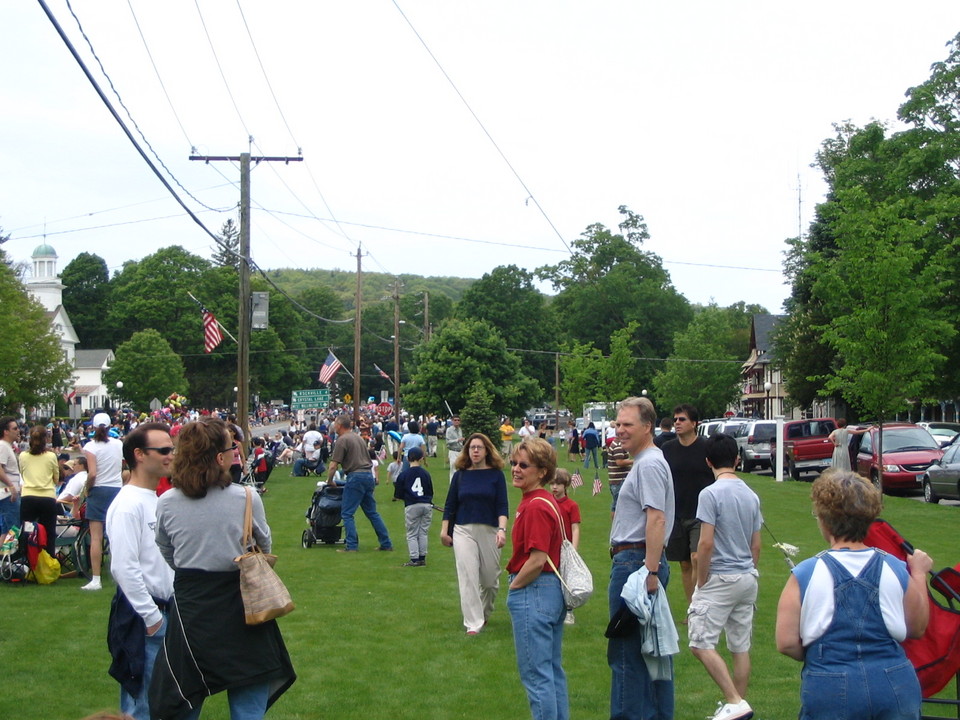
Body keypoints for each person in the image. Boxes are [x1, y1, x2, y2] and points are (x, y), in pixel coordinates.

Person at [151, 417, 295, 720]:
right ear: (219, 457)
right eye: (231, 448)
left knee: (184, 697)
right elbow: (264, 546)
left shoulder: (166, 502)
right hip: (243, 604)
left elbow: (168, 550)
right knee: (247, 706)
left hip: (193, 607)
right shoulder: (246, 496)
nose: (235, 452)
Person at [775, 469, 931, 720]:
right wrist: (920, 574)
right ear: (869, 518)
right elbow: (917, 627)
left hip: (829, 680)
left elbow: (786, 642)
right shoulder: (896, 568)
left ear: (824, 520)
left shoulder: (806, 573)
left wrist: (822, 655)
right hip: (893, 680)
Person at [608, 396, 675, 720]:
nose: (620, 431)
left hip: (635, 564)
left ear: (647, 426)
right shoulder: (649, 461)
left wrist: (648, 571)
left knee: (626, 655)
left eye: (627, 425)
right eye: (618, 424)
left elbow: (657, 519)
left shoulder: (648, 463)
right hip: (641, 562)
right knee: (653, 652)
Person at [687, 433, 761, 720]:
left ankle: (734, 701)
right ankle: (737, 704)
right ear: (738, 460)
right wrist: (749, 567)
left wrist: (701, 580)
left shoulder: (710, 494)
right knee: (739, 646)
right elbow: (756, 544)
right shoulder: (751, 495)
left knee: (700, 643)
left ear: (708, 462)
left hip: (720, 577)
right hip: (746, 577)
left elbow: (705, 543)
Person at [105, 422, 175, 720]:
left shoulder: (155, 499)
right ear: (139, 455)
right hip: (143, 617)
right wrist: (152, 618)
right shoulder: (127, 505)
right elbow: (123, 566)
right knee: (141, 705)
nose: (170, 455)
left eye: (172, 449)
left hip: (166, 612)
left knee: (161, 702)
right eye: (163, 450)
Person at [506, 438, 568, 720]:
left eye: (524, 465)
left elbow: (537, 558)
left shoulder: (535, 506)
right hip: (548, 591)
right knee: (551, 671)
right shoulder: (543, 501)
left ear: (542, 471)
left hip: (535, 589)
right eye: (514, 463)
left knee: (536, 675)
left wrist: (515, 587)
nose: (516, 469)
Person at [440, 433, 509, 635]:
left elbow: (502, 506)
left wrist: (502, 530)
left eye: (479, 447)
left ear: (487, 450)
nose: (475, 451)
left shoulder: (496, 475)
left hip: (489, 530)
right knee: (468, 576)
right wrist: (445, 531)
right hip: (463, 530)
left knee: (489, 581)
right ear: (467, 451)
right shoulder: (460, 475)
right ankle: (473, 623)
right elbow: (450, 505)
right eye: (472, 448)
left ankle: (485, 612)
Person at [662, 404, 716, 606]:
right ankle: (692, 607)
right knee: (685, 564)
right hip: (675, 514)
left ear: (694, 424)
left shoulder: (706, 448)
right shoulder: (667, 449)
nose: (677, 422)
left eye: (682, 419)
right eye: (675, 419)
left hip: (701, 515)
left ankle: (701, 603)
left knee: (697, 557)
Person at [326, 415, 393, 552]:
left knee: (347, 513)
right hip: (368, 476)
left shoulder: (342, 440)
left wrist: (329, 481)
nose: (334, 426)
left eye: (335, 424)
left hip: (355, 477)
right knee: (372, 513)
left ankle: (351, 546)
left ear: (339, 425)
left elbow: (333, 465)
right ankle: (386, 543)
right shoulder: (358, 437)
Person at [83, 412, 124, 591]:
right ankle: (120, 576)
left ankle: (96, 579)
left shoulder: (90, 447)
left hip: (99, 489)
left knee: (96, 537)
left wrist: (87, 488)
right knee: (116, 535)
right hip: (116, 489)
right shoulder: (118, 444)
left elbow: (92, 473)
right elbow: (122, 466)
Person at [18, 425, 60, 557]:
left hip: (28, 496)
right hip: (47, 497)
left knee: (27, 530)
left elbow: (22, 473)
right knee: (48, 532)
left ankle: (26, 559)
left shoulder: (23, 456)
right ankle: (49, 560)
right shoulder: (51, 456)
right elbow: (56, 477)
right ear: (46, 439)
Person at [392, 447, 433, 567]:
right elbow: (430, 491)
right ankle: (422, 557)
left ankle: (414, 558)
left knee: (412, 533)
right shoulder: (426, 473)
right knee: (423, 532)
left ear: (408, 458)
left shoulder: (404, 474)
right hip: (426, 504)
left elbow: (398, 495)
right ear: (421, 458)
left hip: (412, 505)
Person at [551, 468, 581, 625]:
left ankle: (569, 611)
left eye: (558, 484)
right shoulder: (548, 502)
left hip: (566, 547)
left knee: (566, 579)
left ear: (566, 485)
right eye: (552, 483)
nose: (555, 487)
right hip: (550, 547)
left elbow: (575, 527)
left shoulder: (571, 505)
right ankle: (554, 608)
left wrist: (573, 550)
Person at [0, 417, 22, 537]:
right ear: (6, 431)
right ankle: (11, 554)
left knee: (6, 531)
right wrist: (11, 486)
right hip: (7, 495)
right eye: (14, 428)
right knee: (13, 530)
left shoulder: (7, 446)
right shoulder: (3, 446)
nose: (18, 430)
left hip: (8, 494)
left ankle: (4, 555)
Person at [606, 437, 633, 518]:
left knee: (616, 505)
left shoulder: (615, 443)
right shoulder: (618, 446)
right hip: (619, 480)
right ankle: (618, 526)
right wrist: (635, 460)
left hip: (616, 480)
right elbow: (619, 462)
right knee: (619, 505)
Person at [445, 415, 464, 481]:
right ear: (452, 421)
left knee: (461, 469)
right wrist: (457, 440)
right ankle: (452, 485)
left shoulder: (460, 430)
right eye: (455, 420)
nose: (457, 422)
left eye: (458, 420)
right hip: (453, 451)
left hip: (461, 451)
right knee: (453, 470)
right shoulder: (449, 430)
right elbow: (448, 442)